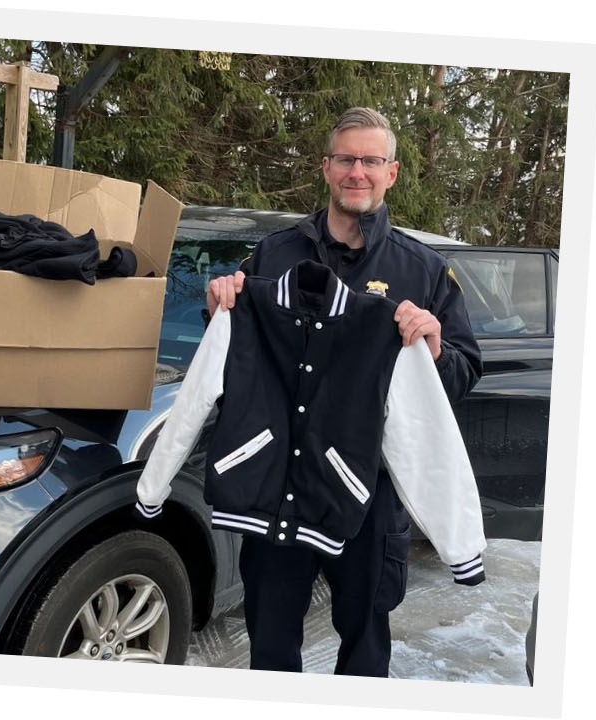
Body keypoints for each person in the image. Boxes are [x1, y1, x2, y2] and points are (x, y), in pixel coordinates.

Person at [202, 107, 481, 676]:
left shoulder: (422, 269)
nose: (359, 171)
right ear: (326, 168)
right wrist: (218, 313)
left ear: (392, 172)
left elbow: (463, 372)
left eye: (371, 161)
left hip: (370, 493)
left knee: (365, 644)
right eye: (347, 159)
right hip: (281, 489)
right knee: (272, 647)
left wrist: (433, 348)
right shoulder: (274, 254)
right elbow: (237, 358)